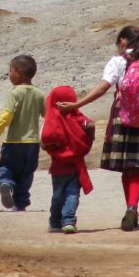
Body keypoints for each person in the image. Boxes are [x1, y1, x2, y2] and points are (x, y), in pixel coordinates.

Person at [58, 26, 139, 231]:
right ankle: (132, 207)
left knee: (127, 165)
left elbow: (103, 87)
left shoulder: (119, 61)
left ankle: (131, 209)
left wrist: (76, 105)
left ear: (123, 41)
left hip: (123, 116)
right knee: (137, 166)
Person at [0, 54, 46, 211]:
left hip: (13, 142)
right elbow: (47, 116)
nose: (9, 74)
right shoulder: (39, 93)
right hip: (32, 144)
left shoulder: (14, 93)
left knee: (7, 167)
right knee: (26, 173)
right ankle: (20, 204)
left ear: (19, 72)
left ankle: (6, 184)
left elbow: (7, 115)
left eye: (11, 71)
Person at [41, 85, 95, 234]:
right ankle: (69, 221)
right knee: (72, 194)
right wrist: (88, 140)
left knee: (57, 195)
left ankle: (55, 222)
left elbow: (45, 140)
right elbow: (90, 125)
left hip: (58, 168)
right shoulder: (77, 115)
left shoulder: (52, 120)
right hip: (76, 167)